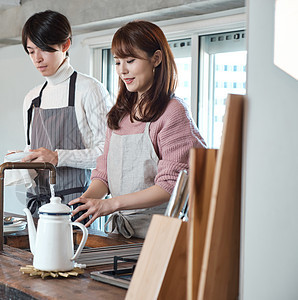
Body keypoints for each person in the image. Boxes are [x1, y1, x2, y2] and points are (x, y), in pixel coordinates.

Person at [68, 20, 206, 238]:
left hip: (159, 235)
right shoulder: (120, 113)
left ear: (156, 59)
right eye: (117, 62)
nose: (123, 70)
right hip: (120, 235)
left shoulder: (173, 111)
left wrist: (111, 205)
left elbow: (169, 186)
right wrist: (87, 201)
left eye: (130, 60)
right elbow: (103, 175)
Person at [20, 10, 111, 217]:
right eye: (31, 51)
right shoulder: (32, 98)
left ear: (65, 45)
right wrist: (23, 160)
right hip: (37, 207)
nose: (37, 58)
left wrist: (58, 157)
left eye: (43, 49)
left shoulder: (89, 89)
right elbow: (31, 147)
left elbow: (107, 155)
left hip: (78, 205)